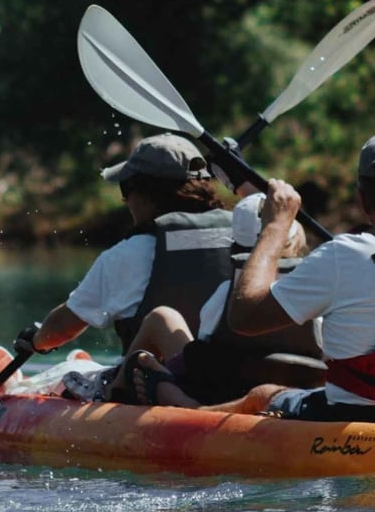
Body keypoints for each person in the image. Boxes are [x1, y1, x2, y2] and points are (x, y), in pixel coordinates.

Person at [139, 130, 375, 426]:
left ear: (363, 199)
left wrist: (275, 226)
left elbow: (244, 318)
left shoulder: (344, 255)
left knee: (265, 395)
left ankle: (185, 413)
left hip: (359, 423)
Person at [19, 134, 233, 357]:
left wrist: (35, 340)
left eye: (125, 191)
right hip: (240, 380)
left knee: (71, 370)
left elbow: (61, 329)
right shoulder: (250, 237)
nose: (126, 202)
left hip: (156, 384)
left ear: (141, 194)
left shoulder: (128, 254)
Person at [112, 190, 323, 405]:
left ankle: (114, 393)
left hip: (216, 391)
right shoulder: (317, 293)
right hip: (296, 391)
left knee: (162, 317)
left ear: (236, 243)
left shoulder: (230, 292)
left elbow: (206, 345)